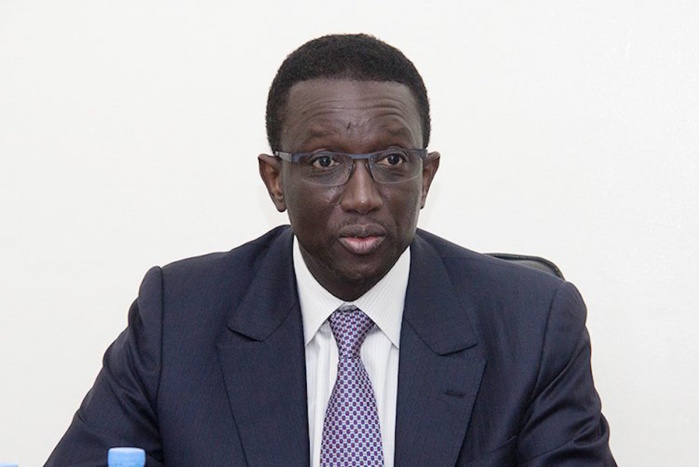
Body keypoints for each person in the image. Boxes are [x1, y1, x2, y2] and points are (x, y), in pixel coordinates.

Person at [46, 33, 615, 466]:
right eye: (325, 162)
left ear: (426, 178)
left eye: (392, 160)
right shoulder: (177, 318)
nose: (363, 197)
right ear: (275, 181)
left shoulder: (533, 325)